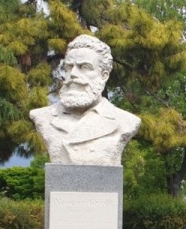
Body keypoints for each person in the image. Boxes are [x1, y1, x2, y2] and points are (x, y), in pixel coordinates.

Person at [29, 34, 141, 166]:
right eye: (69, 67)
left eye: (84, 67)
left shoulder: (126, 121)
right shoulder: (43, 116)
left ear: (104, 75)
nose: (73, 74)